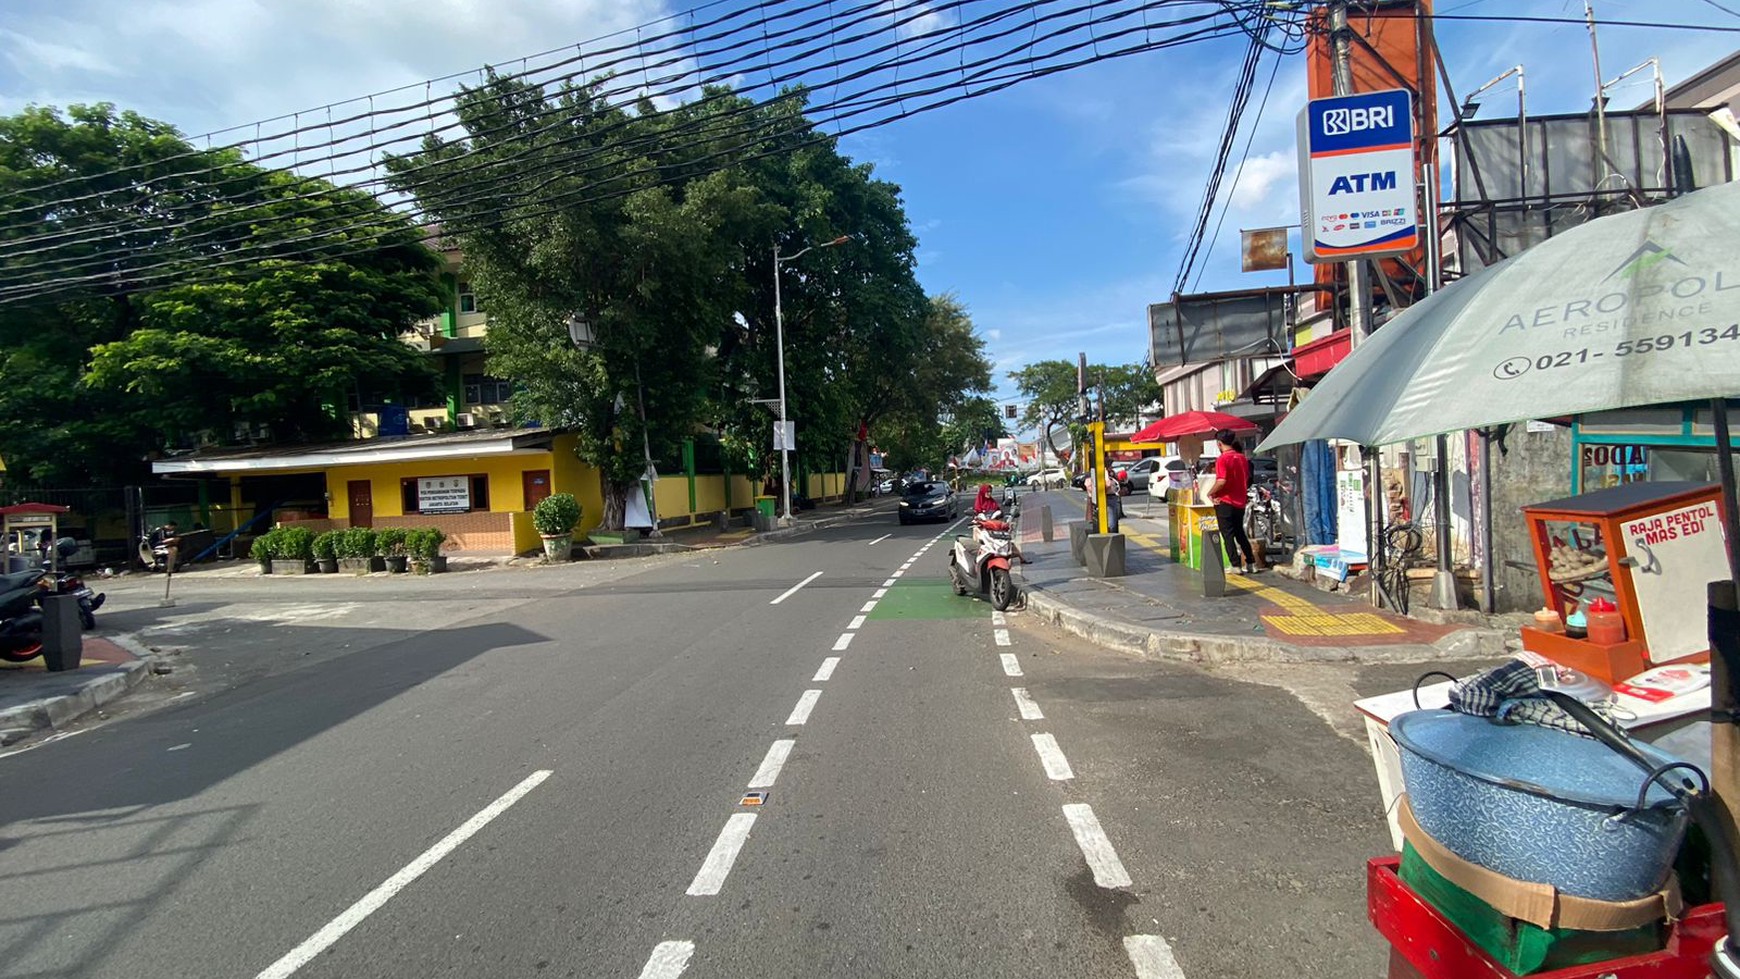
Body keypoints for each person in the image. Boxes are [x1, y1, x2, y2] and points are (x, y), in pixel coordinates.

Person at [1205, 429, 1258, 574]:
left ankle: (1235, 565)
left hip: (1225, 501)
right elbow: (1246, 478)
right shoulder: (1242, 458)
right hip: (1240, 501)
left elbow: (1221, 481)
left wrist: (1210, 492)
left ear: (1219, 443)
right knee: (1240, 533)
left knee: (1227, 534)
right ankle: (1251, 563)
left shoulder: (1222, 459)